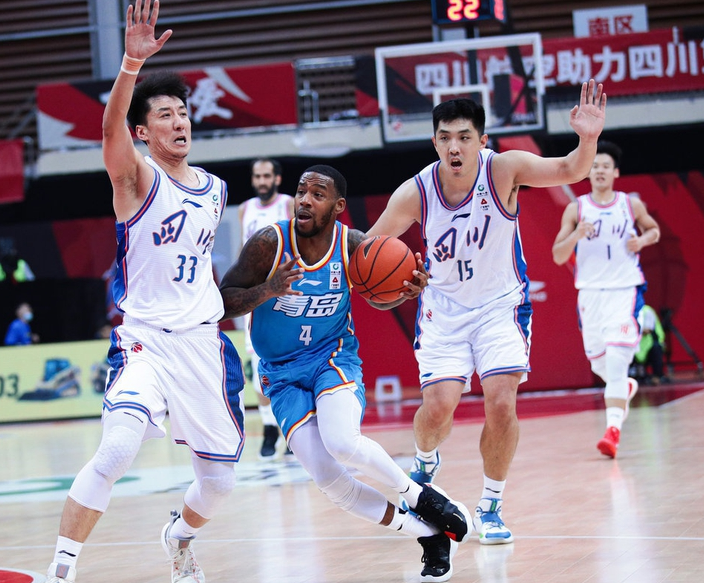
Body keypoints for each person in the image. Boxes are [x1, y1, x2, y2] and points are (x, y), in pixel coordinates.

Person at [43, 2, 244, 583]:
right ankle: (61, 567)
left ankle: (178, 536)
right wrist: (131, 64)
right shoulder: (135, 178)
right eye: (165, 115)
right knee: (116, 449)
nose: (179, 123)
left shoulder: (215, 190)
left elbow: (199, 269)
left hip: (201, 344)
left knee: (219, 482)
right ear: (142, 131)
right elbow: (108, 131)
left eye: (183, 113)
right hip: (145, 342)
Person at [367, 80, 608, 545]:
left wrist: (588, 139)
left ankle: (491, 505)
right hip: (444, 312)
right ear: (434, 142)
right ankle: (425, 459)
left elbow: (570, 169)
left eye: (463, 137)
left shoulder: (504, 170)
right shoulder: (416, 192)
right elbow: (369, 246)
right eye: (444, 138)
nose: (454, 147)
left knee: (500, 403)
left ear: (482, 140)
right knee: (437, 411)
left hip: (500, 308)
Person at [220, 164, 472, 583]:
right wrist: (268, 289)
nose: (304, 200)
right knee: (327, 479)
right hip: (281, 374)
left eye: (317, 194)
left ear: (338, 206)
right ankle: (427, 534)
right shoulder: (269, 243)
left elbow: (377, 295)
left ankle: (420, 496)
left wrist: (404, 293)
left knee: (341, 441)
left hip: (331, 357)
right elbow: (222, 301)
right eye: (301, 191)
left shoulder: (352, 245)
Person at [552, 141, 660, 458]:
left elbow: (653, 231)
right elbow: (558, 255)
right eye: (595, 166)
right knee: (600, 362)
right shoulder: (576, 209)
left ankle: (612, 431)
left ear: (615, 172)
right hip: (590, 294)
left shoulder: (630, 205)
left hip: (625, 291)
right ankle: (623, 386)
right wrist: (576, 235)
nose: (599, 171)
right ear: (589, 173)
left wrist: (642, 241)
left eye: (605, 166)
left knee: (615, 361)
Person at [237, 157, 294, 459]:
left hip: (284, 296)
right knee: (259, 368)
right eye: (257, 176)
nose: (262, 181)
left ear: (277, 178)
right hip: (254, 297)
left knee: (290, 363)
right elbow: (242, 253)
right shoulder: (244, 209)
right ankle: (269, 427)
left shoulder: (288, 204)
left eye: (267, 176)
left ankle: (294, 429)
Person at [633, 304, 668, 385]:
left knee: (656, 348)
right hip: (634, 344)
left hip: (650, 343)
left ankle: (657, 376)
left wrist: (632, 329)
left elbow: (647, 330)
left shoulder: (647, 310)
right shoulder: (626, 311)